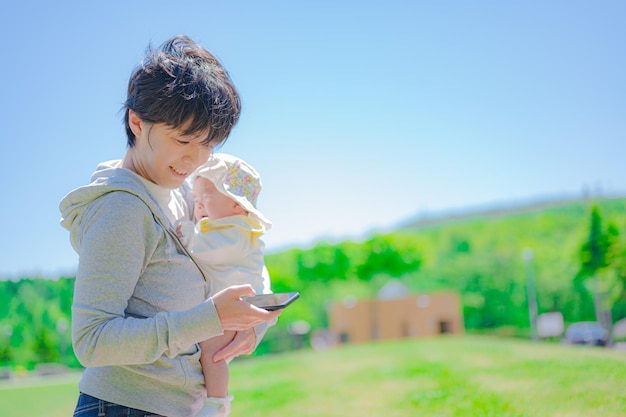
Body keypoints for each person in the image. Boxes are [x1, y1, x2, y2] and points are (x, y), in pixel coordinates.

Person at [59, 35, 281, 417]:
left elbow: (237, 251)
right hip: (123, 406)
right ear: (136, 122)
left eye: (208, 146)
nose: (194, 160)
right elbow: (91, 340)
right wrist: (210, 318)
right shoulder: (120, 210)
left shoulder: (180, 195)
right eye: (182, 140)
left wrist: (250, 319)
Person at [176, 153, 272, 416]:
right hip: (228, 309)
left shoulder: (239, 230)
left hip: (235, 311)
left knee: (211, 354)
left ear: (238, 206)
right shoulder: (222, 225)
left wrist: (188, 234)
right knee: (209, 353)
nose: (199, 206)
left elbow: (214, 251)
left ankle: (217, 403)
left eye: (207, 198)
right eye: (196, 200)